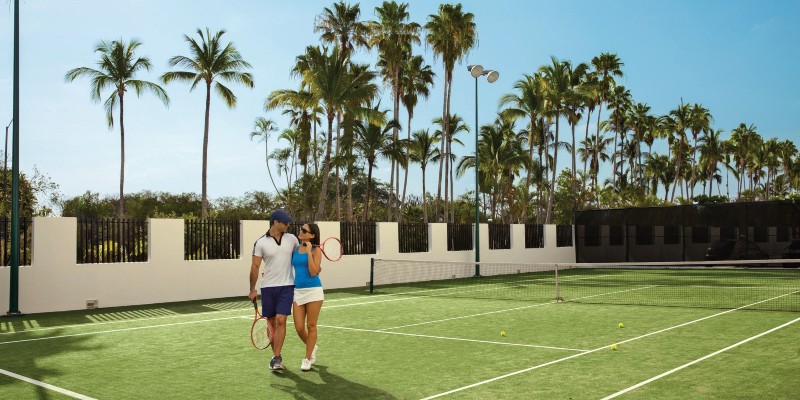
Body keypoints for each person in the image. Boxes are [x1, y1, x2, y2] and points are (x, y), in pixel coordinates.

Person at [249, 209, 298, 371]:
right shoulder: (260, 242)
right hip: (268, 287)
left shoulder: (292, 239)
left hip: (287, 286)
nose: (288, 225)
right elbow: (255, 266)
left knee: (281, 320)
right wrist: (252, 289)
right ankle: (276, 356)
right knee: (271, 323)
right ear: (275, 222)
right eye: (285, 222)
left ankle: (276, 358)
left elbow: (300, 256)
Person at [292, 223, 324, 371]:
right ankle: (313, 347)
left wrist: (310, 252)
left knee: (311, 326)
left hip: (313, 291)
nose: (301, 232)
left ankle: (307, 358)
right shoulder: (296, 249)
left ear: (312, 235)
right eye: (301, 229)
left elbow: (313, 272)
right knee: (299, 327)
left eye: (304, 231)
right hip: (298, 291)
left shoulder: (317, 251)